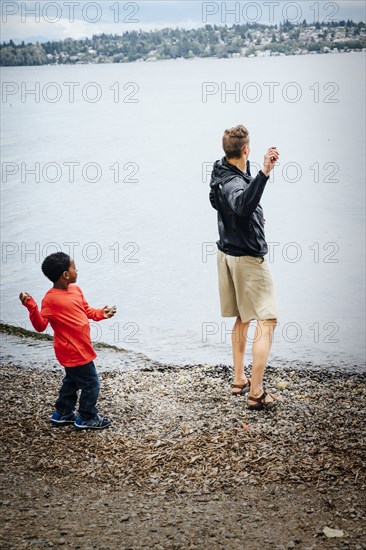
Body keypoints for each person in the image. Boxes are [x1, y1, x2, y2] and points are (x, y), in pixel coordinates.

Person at [209, 125, 280, 411]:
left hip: (227, 254)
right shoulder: (234, 183)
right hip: (248, 260)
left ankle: (239, 379)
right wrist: (264, 172)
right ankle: (256, 392)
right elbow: (241, 205)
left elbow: (231, 206)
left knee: (242, 316)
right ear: (246, 149)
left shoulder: (220, 172)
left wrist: (253, 220)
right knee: (268, 320)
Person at [19, 252, 116, 429]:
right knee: (91, 383)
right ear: (65, 274)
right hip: (73, 350)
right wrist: (31, 306)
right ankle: (86, 416)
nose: (76, 270)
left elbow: (86, 310)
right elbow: (41, 326)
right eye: (74, 267)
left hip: (81, 347)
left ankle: (63, 413)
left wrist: (102, 313)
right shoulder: (50, 299)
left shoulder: (76, 290)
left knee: (71, 381)